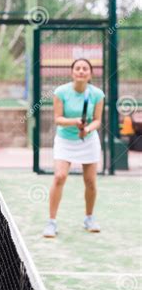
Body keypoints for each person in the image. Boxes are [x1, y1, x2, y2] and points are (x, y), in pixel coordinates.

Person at [43, 58, 104, 238]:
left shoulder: (97, 94)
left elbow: (97, 120)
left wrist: (87, 129)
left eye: (85, 69)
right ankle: (51, 222)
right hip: (65, 140)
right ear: (72, 72)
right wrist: (75, 122)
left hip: (89, 141)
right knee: (60, 177)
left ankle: (89, 218)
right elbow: (58, 118)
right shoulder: (61, 92)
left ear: (90, 74)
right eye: (77, 68)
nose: (81, 71)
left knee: (90, 181)